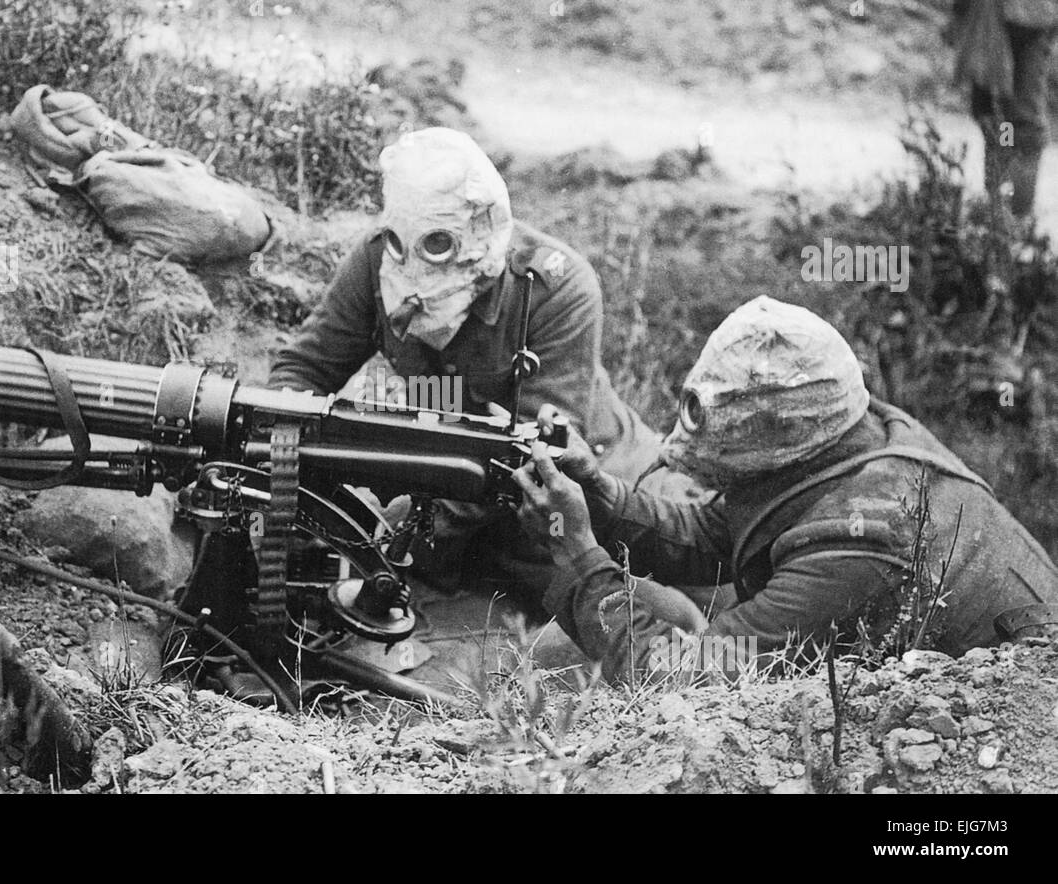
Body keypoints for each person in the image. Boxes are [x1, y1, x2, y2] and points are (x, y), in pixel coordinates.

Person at [512, 296, 1058, 680]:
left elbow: (677, 681)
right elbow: (719, 530)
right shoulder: (860, 433)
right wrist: (604, 499)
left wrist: (579, 556)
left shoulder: (862, 541)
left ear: (776, 454)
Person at [269, 126, 688, 610]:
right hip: (457, 491)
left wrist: (390, 527)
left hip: (583, 488)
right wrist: (288, 469)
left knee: (677, 605)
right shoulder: (374, 263)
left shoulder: (557, 288)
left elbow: (538, 458)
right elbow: (303, 370)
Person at [952, 0, 1058, 219]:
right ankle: (1000, 213)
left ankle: (1015, 215)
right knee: (997, 116)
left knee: (1018, 118)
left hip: (1028, 21)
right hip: (992, 17)